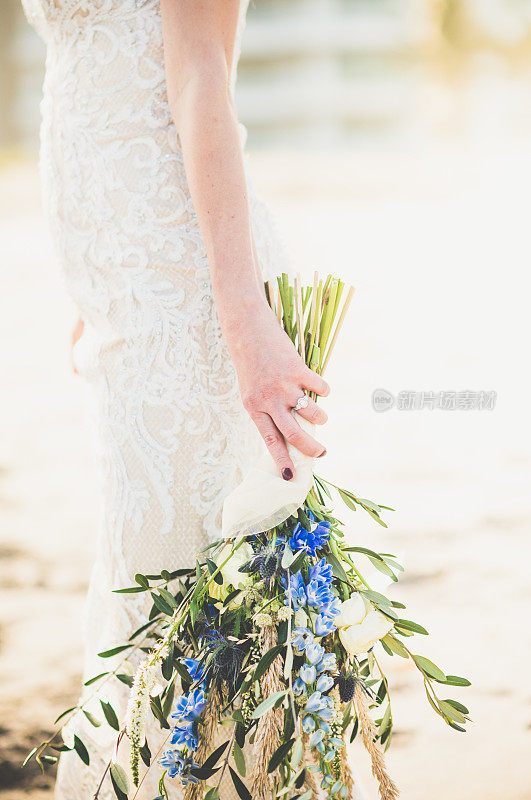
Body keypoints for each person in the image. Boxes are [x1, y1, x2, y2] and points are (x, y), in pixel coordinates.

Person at [21, 1, 331, 796]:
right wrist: (93, 282)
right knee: (144, 588)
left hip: (188, 293)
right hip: (126, 292)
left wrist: (245, 328)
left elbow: (201, 80)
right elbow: (103, 79)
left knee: (170, 607)